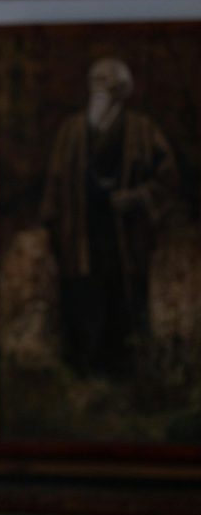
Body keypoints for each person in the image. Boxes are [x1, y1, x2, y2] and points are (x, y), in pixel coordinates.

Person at [40, 57, 179, 378]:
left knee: (125, 302)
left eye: (109, 85)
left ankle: (127, 375)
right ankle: (83, 376)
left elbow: (168, 179)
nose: (102, 91)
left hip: (126, 238)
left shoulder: (143, 131)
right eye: (97, 83)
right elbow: (55, 185)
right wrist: (51, 228)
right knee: (82, 301)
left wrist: (136, 198)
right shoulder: (72, 131)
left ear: (122, 92)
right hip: (80, 236)